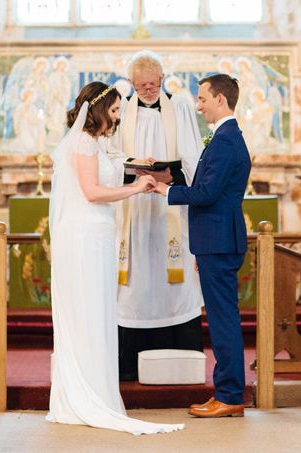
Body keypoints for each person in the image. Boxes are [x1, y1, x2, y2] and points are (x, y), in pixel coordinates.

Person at [47, 81, 184, 435]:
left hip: (99, 236)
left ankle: (99, 393)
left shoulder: (96, 143)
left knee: (100, 312)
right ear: (98, 110)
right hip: (84, 237)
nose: (118, 116)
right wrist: (137, 187)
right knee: (88, 311)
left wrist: (140, 165)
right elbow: (92, 192)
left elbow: (112, 162)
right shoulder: (80, 142)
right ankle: (84, 394)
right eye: (114, 110)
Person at [154, 74, 251, 418]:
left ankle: (230, 396)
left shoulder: (225, 140)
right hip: (215, 241)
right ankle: (225, 392)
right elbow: (209, 186)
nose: (198, 105)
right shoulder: (225, 137)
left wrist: (165, 191)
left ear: (221, 100)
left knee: (224, 321)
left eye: (202, 99)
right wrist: (173, 179)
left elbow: (207, 194)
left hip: (219, 241)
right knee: (223, 319)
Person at [111, 50, 204, 381]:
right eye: (141, 85)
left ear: (162, 80)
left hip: (170, 208)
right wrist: (132, 170)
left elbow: (193, 158)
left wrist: (170, 176)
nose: (148, 90)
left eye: (153, 84)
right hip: (133, 209)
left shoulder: (178, 108)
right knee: (135, 281)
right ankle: (127, 365)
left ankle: (179, 360)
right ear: (131, 83)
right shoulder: (121, 111)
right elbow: (110, 159)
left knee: (171, 283)